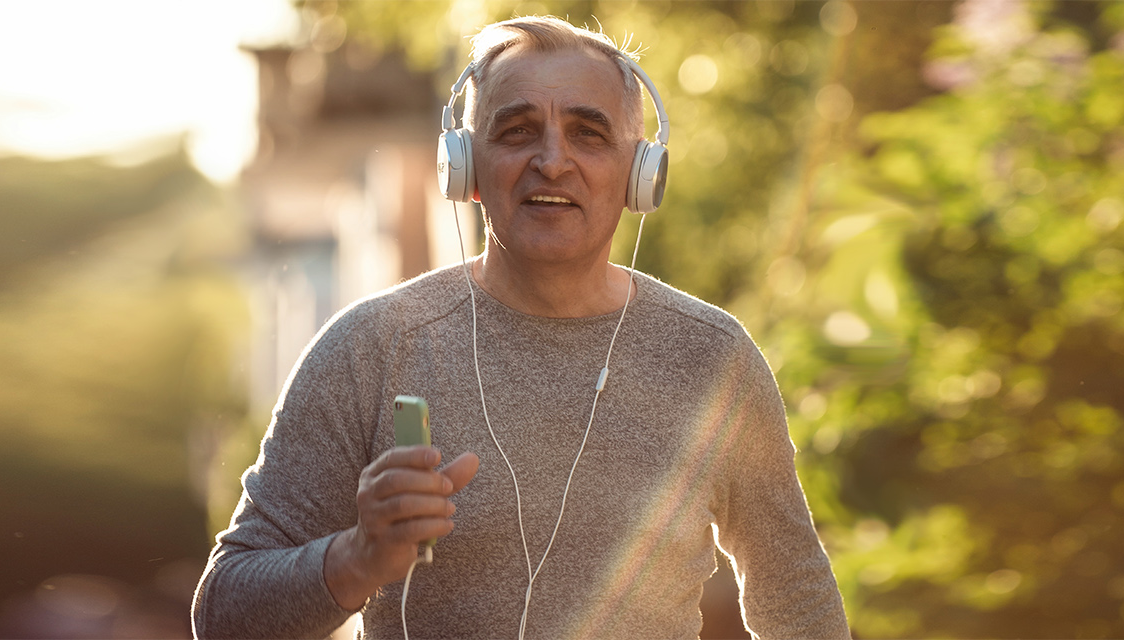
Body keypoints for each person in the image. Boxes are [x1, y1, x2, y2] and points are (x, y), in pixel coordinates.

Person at [193, 16, 848, 639]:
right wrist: (356, 558)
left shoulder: (713, 356)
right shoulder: (370, 349)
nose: (553, 160)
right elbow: (223, 616)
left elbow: (794, 595)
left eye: (589, 133)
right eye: (517, 131)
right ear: (467, 170)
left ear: (639, 175)